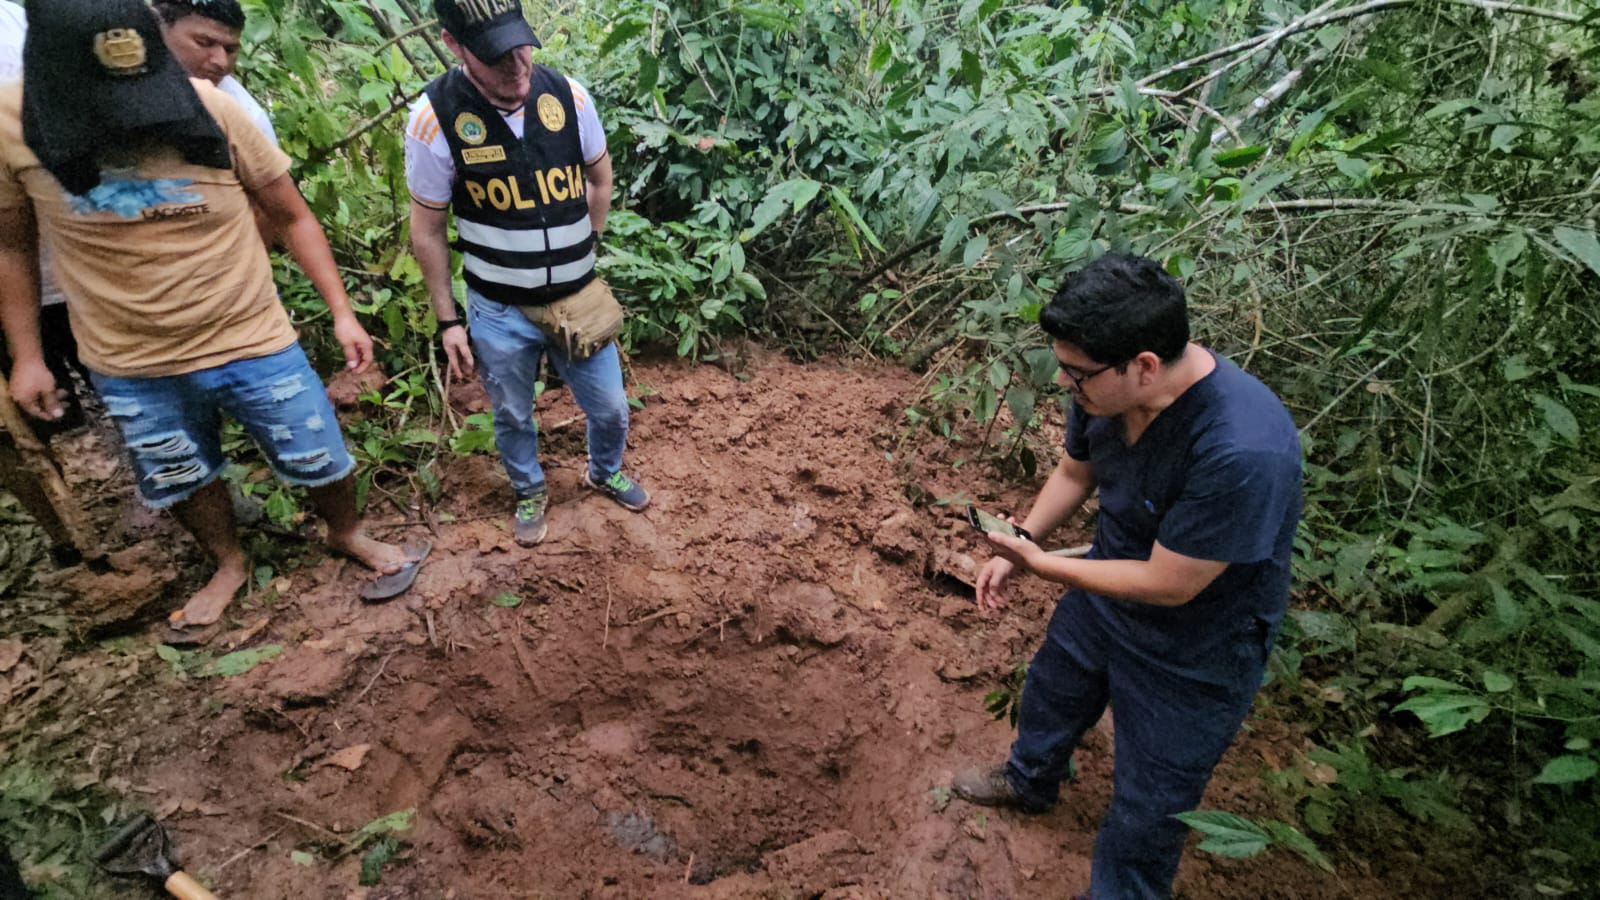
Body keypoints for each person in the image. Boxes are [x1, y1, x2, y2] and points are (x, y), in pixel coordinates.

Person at [0, 0, 424, 631]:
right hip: (127, 354)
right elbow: (12, 243)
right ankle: (228, 561)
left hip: (250, 331)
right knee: (179, 470)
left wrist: (343, 312)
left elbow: (291, 213)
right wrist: (29, 357)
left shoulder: (215, 107)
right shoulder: (12, 124)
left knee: (317, 450)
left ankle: (347, 531)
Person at [953, 253, 1303, 899]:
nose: (1063, 384)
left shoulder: (1243, 448)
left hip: (1198, 645)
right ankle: (1030, 781)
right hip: (1104, 586)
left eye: (1076, 374)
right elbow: (1075, 472)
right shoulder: (1102, 390)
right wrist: (1019, 543)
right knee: (1053, 691)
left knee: (1150, 807)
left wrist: (1042, 567)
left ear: (1143, 365)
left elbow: (1172, 583)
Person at [406, 0, 648, 547]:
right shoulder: (435, 117)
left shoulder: (568, 96)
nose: (517, 66)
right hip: (497, 306)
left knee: (610, 405)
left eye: (521, 48)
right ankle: (529, 488)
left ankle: (602, 469)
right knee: (513, 411)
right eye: (496, 57)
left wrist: (586, 246)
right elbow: (428, 231)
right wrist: (449, 321)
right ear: (454, 45)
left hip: (576, 295)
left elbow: (599, 178)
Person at [0, 0, 86, 437]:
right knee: (39, 420)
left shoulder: (25, 28)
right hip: (12, 282)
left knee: (146, 394)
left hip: (80, 266)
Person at [152, 0, 275, 144]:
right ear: (157, 29)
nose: (222, 62)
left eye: (230, 50)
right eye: (204, 43)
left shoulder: (248, 120)